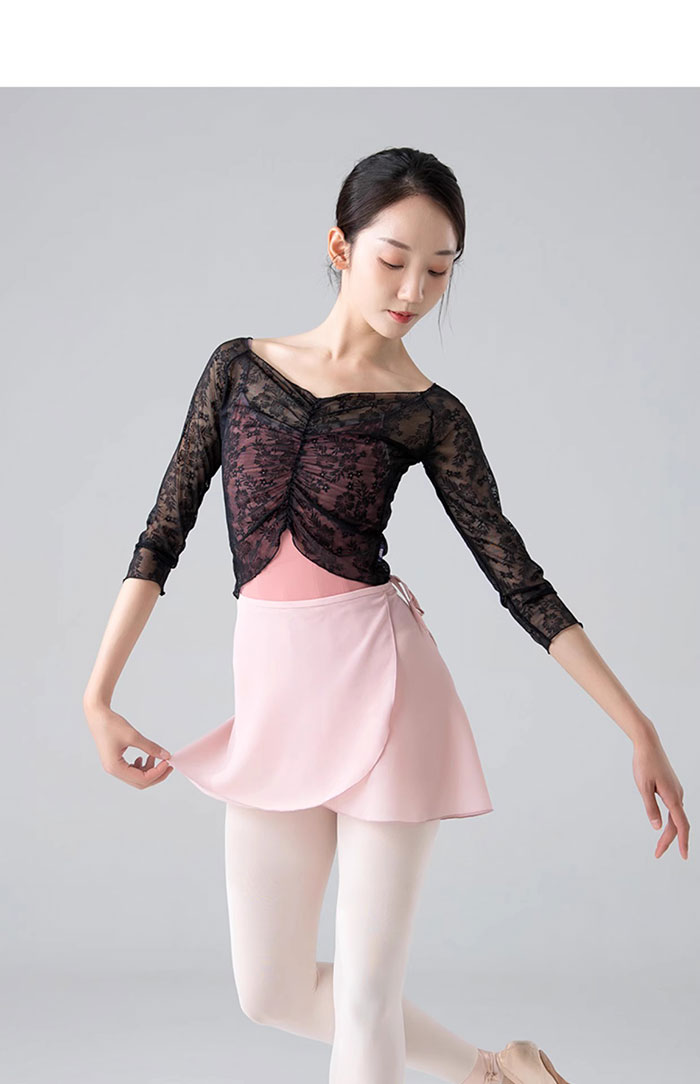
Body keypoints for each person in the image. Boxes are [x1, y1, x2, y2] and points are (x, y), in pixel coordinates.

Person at [83, 147, 689, 1084]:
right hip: (279, 704)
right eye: (394, 260)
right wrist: (99, 696)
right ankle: (498, 1071)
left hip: (388, 691)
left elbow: (519, 579)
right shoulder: (239, 369)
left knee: (367, 996)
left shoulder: (429, 413)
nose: (414, 291)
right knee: (272, 992)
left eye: (439, 271)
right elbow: (163, 532)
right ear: (341, 247)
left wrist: (638, 727)